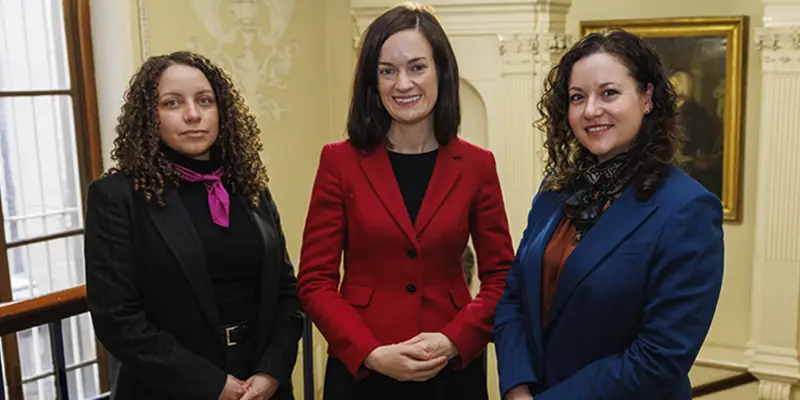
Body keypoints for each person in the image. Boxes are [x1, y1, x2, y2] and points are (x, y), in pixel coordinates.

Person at [295, 3, 514, 399]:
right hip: (363, 371)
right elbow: (315, 281)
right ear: (372, 81)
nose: (403, 84)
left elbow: (502, 278)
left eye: (417, 67)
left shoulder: (478, 165)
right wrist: (371, 352)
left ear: (441, 72)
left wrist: (452, 340)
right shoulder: (338, 162)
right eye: (387, 70)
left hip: (450, 370)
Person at [493, 29, 724, 400]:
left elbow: (658, 359)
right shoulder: (557, 188)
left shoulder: (688, 209)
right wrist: (517, 388)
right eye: (577, 97)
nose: (591, 110)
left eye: (609, 93)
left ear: (647, 98)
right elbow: (514, 297)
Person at [84, 51, 303, 400]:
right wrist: (210, 383)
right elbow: (118, 319)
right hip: (172, 388)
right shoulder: (116, 196)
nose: (193, 114)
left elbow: (286, 292)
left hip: (261, 385)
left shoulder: (248, 186)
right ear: (149, 117)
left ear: (222, 112)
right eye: (172, 103)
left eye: (205, 100)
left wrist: (271, 371)